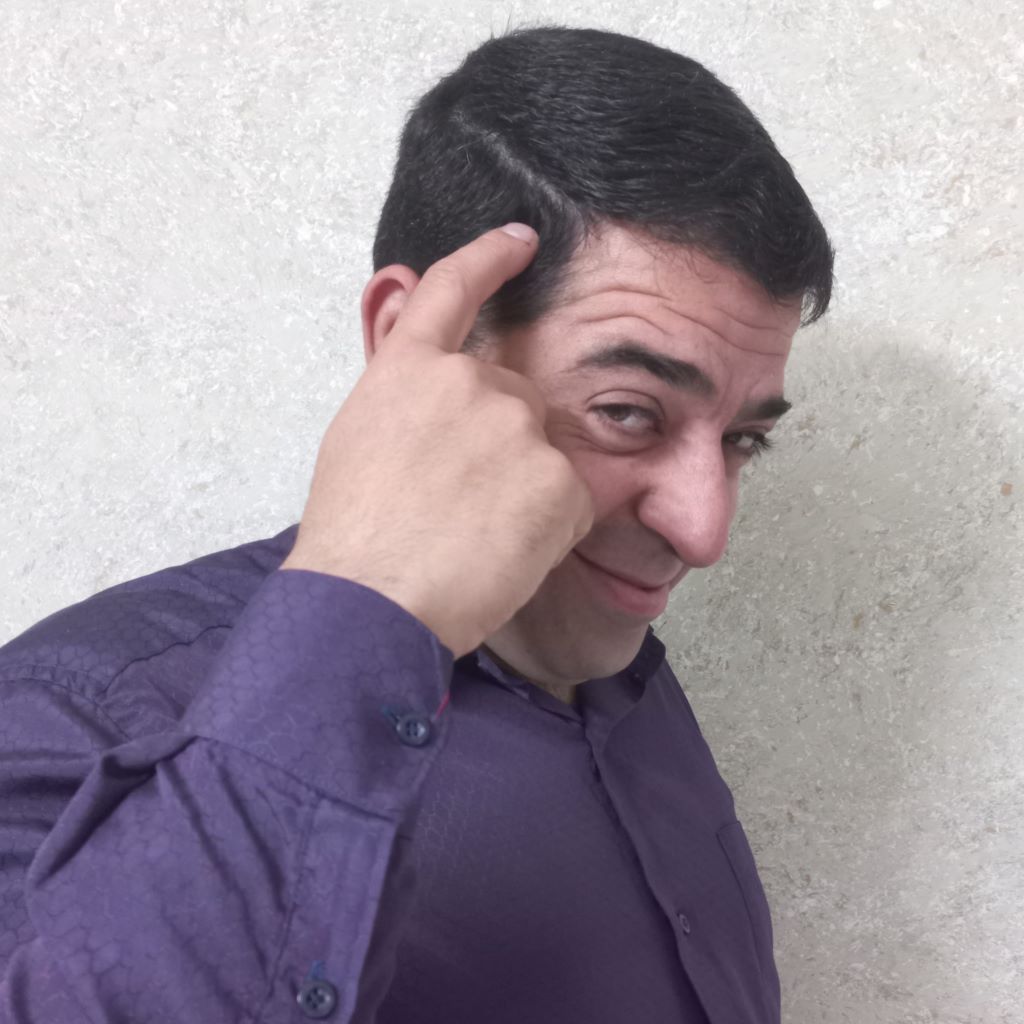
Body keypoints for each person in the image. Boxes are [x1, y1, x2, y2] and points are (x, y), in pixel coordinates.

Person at [0, 25, 833, 1024]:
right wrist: (369, 609)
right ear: (410, 340)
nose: (704, 531)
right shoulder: (78, 713)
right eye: (627, 413)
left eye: (743, 440)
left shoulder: (612, 660)